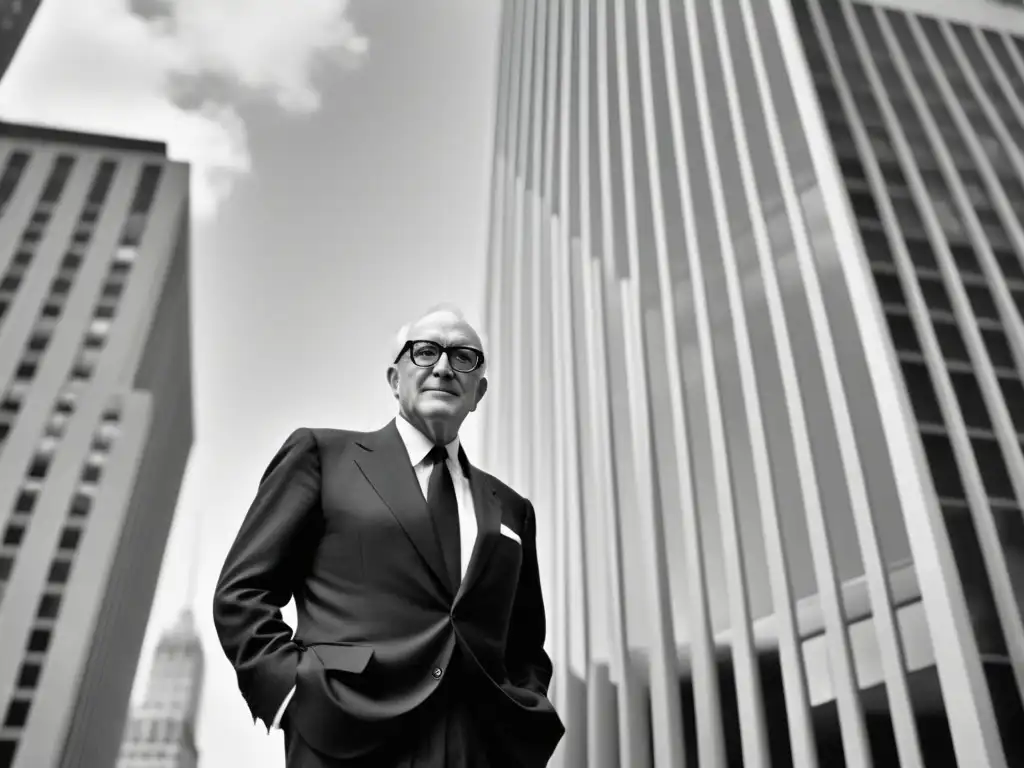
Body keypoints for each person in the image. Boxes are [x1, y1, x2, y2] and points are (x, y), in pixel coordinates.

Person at [212, 305, 564, 767]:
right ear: (395, 379)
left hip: (475, 747)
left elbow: (524, 645)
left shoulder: (513, 508)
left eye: (463, 357)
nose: (442, 366)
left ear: (478, 391)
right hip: (345, 732)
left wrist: (521, 711)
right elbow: (242, 592)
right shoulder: (322, 455)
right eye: (424, 352)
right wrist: (292, 691)